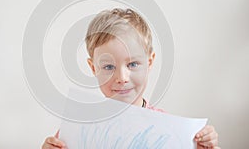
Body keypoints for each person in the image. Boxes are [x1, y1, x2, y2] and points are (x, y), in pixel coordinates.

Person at [42, 8, 220, 149]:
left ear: (149, 62)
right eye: (108, 67)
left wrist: (203, 146)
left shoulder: (168, 129)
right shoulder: (78, 127)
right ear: (93, 67)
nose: (121, 77)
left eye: (133, 64)